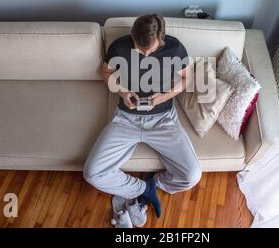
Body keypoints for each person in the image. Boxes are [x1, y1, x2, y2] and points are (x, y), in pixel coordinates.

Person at [83, 14, 202, 218]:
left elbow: (186, 79)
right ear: (133, 36)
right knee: (91, 173)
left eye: (152, 50)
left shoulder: (175, 48)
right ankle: (142, 189)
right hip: (126, 117)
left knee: (192, 176)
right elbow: (104, 72)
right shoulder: (119, 47)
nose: (146, 54)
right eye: (140, 48)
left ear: (161, 39)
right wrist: (122, 92)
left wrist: (164, 96)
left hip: (163, 118)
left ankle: (155, 183)